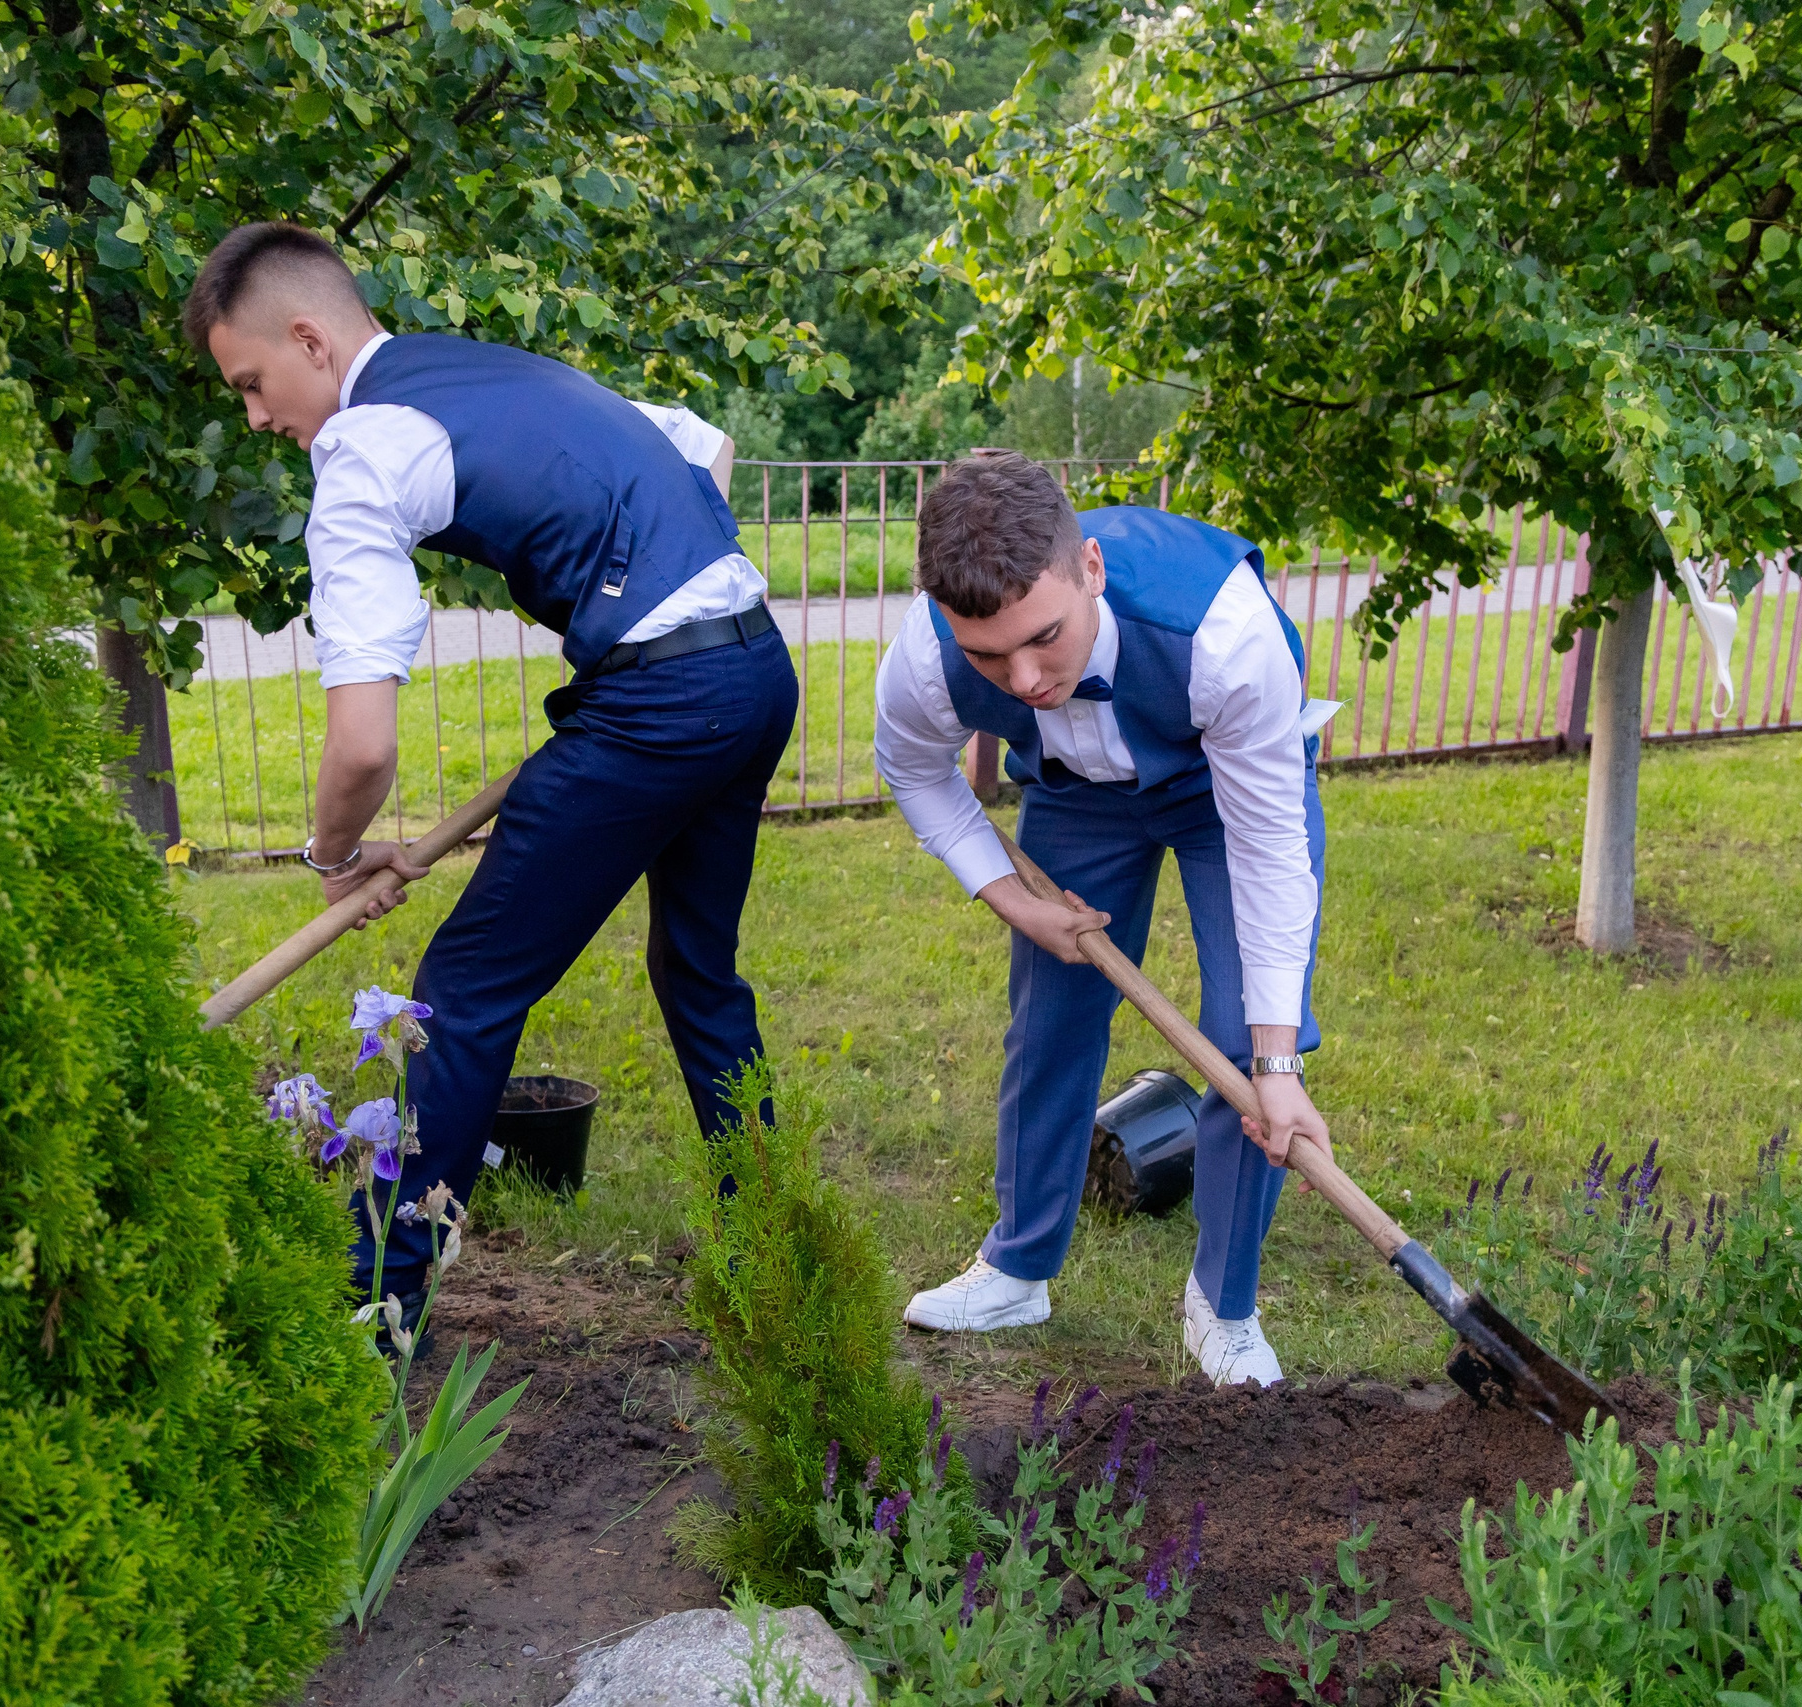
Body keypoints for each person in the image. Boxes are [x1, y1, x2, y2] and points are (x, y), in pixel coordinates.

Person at [184, 223, 796, 1327]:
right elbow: (699, 450)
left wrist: (331, 856)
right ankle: (776, 1250)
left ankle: (381, 1305)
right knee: (699, 974)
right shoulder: (494, 373)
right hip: (753, 670)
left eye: (252, 383)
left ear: (310, 340)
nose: (257, 417)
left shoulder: (362, 453)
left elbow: (364, 740)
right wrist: (634, 583)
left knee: (461, 996)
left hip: (659, 706)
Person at [872, 452, 1334, 1388]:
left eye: (1044, 637)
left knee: (1245, 1039)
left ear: (1090, 567)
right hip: (1077, 795)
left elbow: (1272, 860)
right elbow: (916, 771)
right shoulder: (924, 656)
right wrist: (1015, 899)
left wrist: (1278, 1063)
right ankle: (1018, 1266)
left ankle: (1224, 1306)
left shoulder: (1220, 636)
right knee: (1050, 1020)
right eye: (989, 655)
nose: (1028, 677)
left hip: (1222, 786)